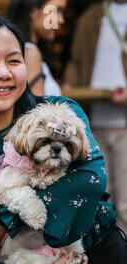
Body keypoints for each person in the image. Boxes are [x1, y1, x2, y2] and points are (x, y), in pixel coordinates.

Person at [0, 14, 127, 264]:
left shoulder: (61, 110)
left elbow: (90, 181)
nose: (3, 72)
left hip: (99, 259)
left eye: (14, 61)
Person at [63, 0, 127, 235]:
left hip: (123, 125)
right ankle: (106, 256)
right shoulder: (90, 17)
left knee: (125, 203)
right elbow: (76, 61)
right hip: (93, 122)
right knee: (100, 197)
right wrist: (70, 83)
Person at [6, 0, 65, 96]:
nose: (61, 20)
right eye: (57, 11)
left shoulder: (26, 50)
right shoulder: (30, 53)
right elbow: (37, 110)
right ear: (34, 12)